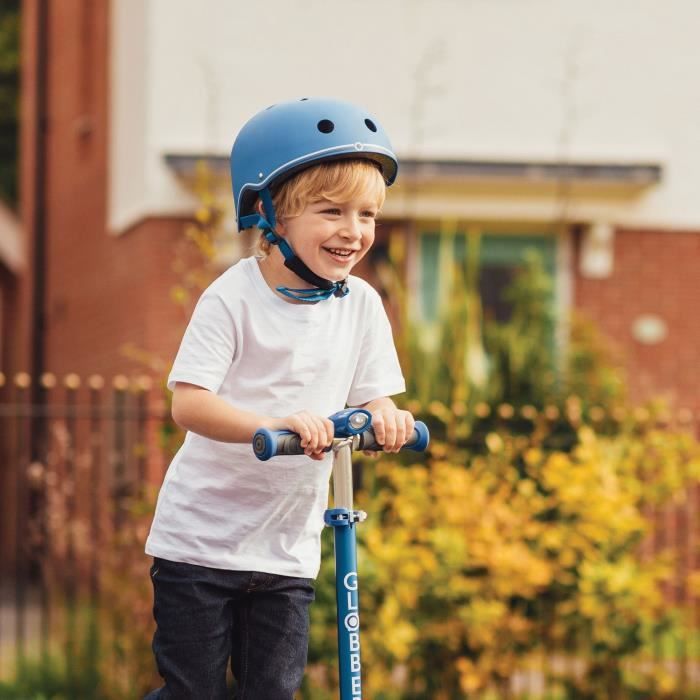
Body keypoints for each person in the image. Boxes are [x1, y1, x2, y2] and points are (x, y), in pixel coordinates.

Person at [144, 97, 415, 699]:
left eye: (367, 214)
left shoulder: (362, 305)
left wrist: (387, 417)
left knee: (272, 692)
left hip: (286, 550)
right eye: (331, 211)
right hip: (199, 546)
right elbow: (188, 404)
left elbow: (374, 398)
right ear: (271, 214)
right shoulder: (232, 298)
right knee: (194, 692)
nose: (353, 231)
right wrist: (271, 424)